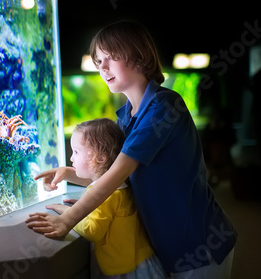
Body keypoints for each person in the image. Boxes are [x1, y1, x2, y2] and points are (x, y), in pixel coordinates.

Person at [26, 20, 237, 278]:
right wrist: (67, 174)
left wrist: (68, 220)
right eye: (98, 60)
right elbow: (112, 173)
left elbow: (117, 174)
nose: (102, 67)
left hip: (200, 242)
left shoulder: (164, 107)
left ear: (138, 56)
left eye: (110, 57)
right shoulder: (125, 116)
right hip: (164, 245)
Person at [47, 118, 166, 278]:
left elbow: (93, 231)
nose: (71, 158)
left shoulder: (107, 194)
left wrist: (67, 212)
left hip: (130, 271)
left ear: (100, 158)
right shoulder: (119, 185)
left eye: (76, 152)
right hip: (139, 262)